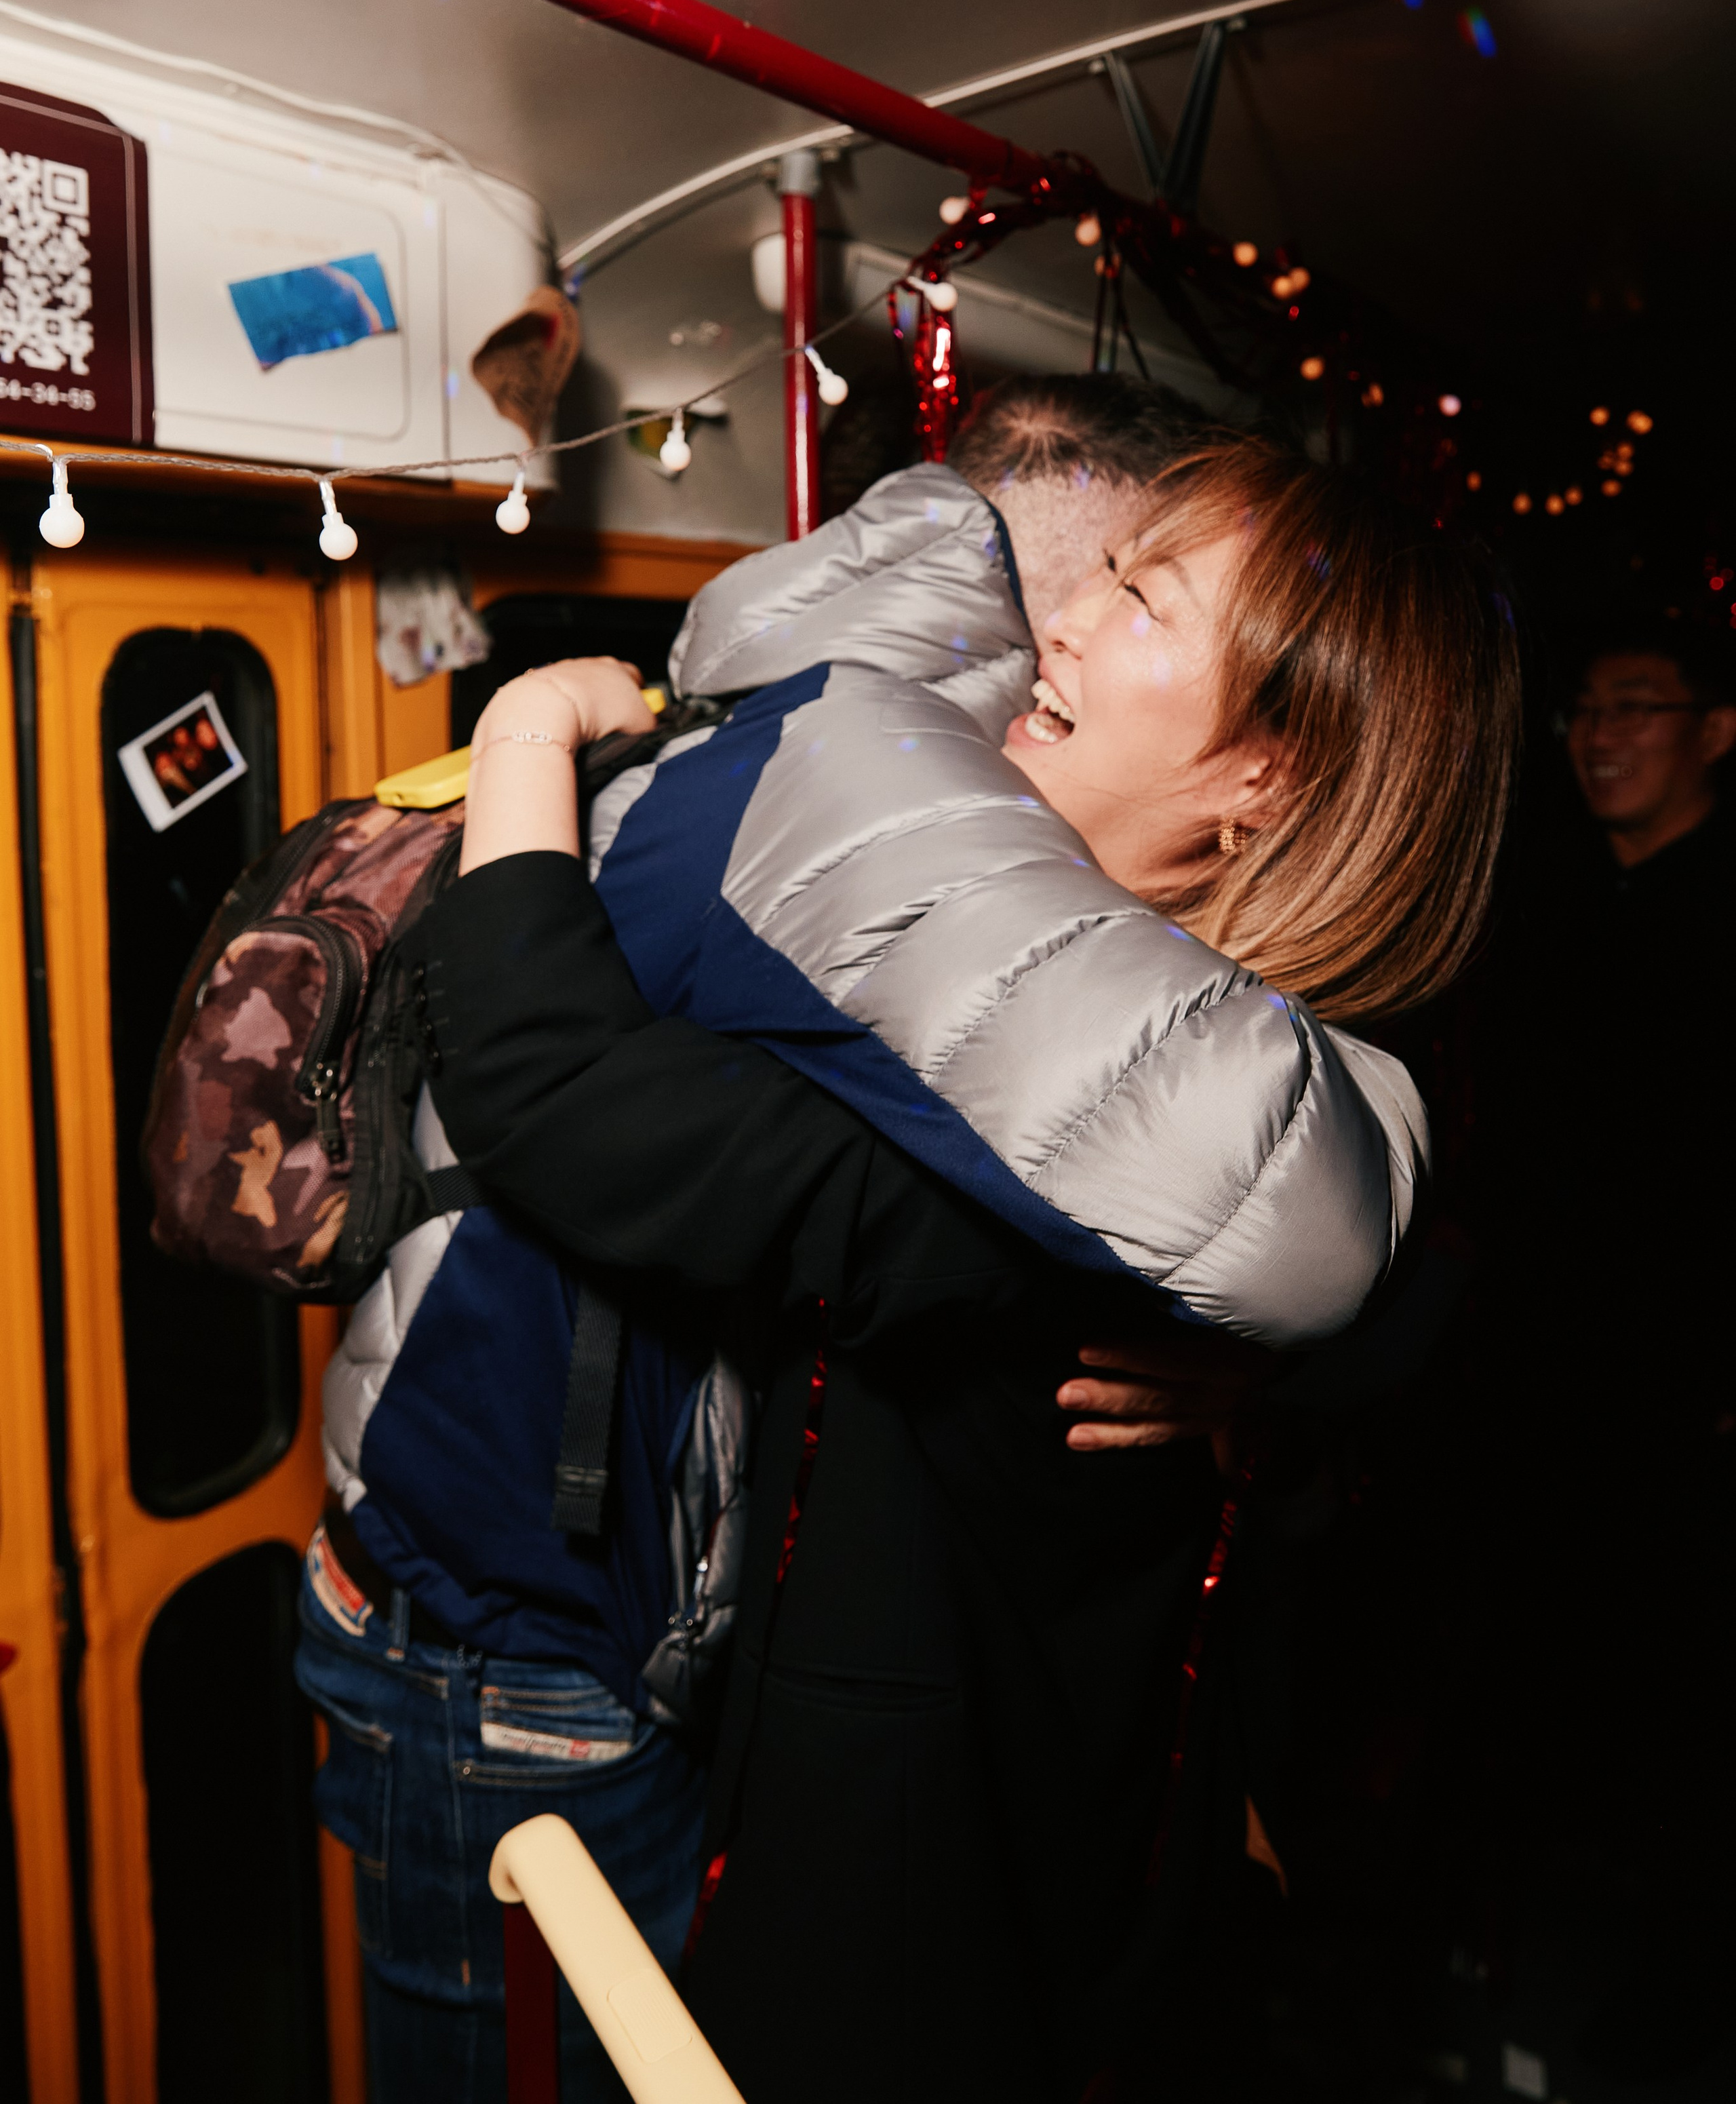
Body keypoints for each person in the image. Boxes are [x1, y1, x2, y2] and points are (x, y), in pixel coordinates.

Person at [410, 432, 1520, 2103]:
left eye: (1141, 603)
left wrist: (521, 730)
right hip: (1110, 1891)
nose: (1060, 620)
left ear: (1264, 777)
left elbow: (549, 1085)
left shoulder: (1061, 1123)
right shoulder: (1257, 1077)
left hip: (920, 1930)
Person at [292, 373, 1220, 2102]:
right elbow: (559, 1093)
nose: (1101, 635)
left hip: (578, 1626)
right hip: (501, 1647)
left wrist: (1250, 1367)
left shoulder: (847, 776)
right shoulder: (843, 825)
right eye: (1125, 585)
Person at [1458, 618, 1736, 2078]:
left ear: (1716, 731)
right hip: (1520, 1363)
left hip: (1679, 1386)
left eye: (1638, 706)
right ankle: (1498, 1971)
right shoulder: (1547, 899)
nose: (1600, 733)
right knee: (1518, 1675)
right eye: (1585, 709)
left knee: (1663, 1698)